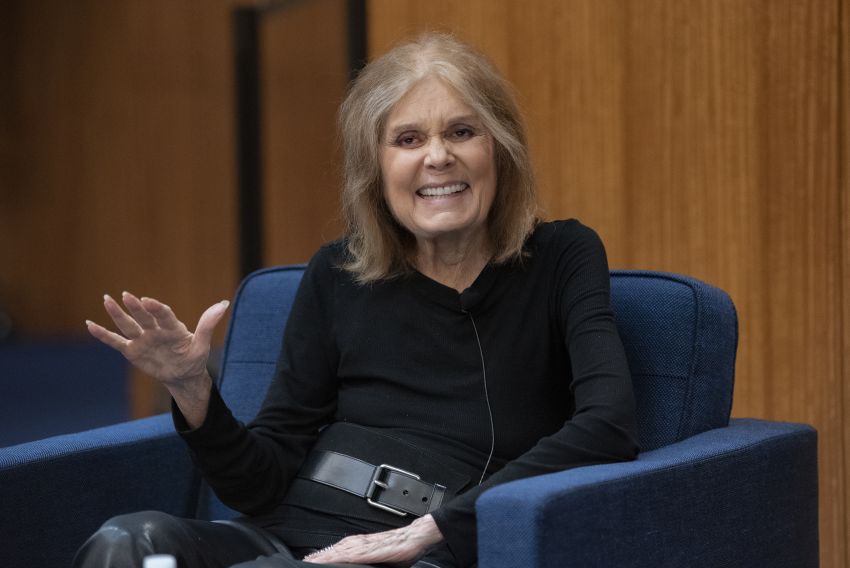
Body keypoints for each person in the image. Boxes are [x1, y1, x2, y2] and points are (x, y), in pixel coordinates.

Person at [75, 32, 639, 568]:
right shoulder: (337, 273)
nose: (438, 157)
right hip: (283, 536)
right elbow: (259, 481)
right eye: (409, 139)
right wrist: (191, 388)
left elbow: (608, 424)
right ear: (376, 168)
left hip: (415, 549)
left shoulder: (562, 256)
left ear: (501, 147)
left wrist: (437, 527)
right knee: (127, 541)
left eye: (463, 132)